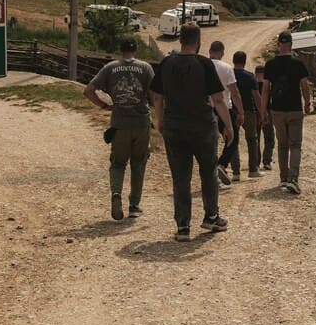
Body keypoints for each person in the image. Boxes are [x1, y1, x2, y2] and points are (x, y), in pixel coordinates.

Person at [150, 22, 234, 241]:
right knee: (208, 172)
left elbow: (157, 96)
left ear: (180, 40)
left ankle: (183, 227)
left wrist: (160, 120)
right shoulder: (204, 63)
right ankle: (211, 216)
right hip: (202, 127)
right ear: (198, 41)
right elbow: (218, 99)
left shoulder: (167, 63)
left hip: (174, 126)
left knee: (180, 178)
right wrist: (228, 126)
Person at [84, 37, 154, 221]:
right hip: (141, 123)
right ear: (136, 49)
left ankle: (116, 193)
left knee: (118, 163)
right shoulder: (146, 68)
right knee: (138, 164)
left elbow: (88, 91)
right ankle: (134, 205)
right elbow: (155, 94)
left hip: (120, 124)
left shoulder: (110, 68)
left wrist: (104, 105)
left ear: (120, 50)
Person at [262, 30, 311, 194]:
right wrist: (307, 103)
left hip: (277, 110)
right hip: (295, 108)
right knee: (295, 145)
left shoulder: (270, 65)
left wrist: (263, 110)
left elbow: (265, 90)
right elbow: (304, 86)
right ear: (291, 44)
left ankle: (283, 178)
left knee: (282, 145)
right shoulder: (298, 63)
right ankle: (293, 179)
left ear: (278, 45)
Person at [209, 41, 244, 184]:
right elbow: (234, 93)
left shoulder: (202, 65)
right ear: (222, 52)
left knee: (209, 142)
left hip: (206, 109)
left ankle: (211, 172)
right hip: (225, 109)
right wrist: (241, 112)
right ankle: (221, 164)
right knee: (232, 139)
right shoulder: (226, 68)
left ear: (210, 51)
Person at [232, 51, 263, 178]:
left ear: (233, 61)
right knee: (252, 139)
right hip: (249, 110)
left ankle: (235, 172)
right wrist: (262, 112)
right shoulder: (250, 76)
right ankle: (253, 170)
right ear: (244, 62)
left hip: (233, 111)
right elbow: (256, 96)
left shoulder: (229, 75)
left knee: (233, 140)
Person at [255, 65, 274, 171]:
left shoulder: (253, 83)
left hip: (254, 112)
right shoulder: (268, 85)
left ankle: (256, 161)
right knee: (269, 137)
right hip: (267, 111)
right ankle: (267, 161)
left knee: (256, 138)